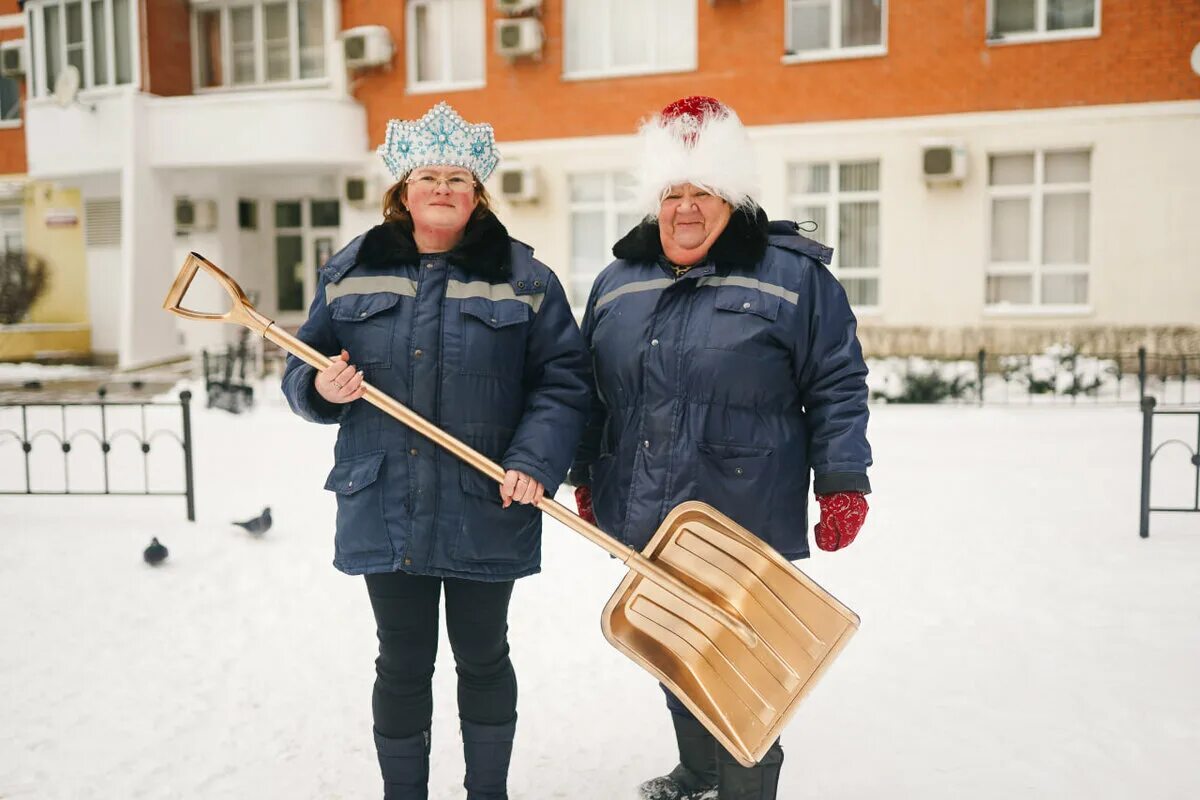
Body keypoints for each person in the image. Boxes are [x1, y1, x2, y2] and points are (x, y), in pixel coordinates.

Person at [281, 101, 589, 800]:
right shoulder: (350, 270)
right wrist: (322, 386)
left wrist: (535, 461)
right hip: (385, 498)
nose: (443, 187)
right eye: (429, 176)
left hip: (488, 498)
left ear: (477, 191)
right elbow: (302, 366)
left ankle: (488, 792)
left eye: (458, 177)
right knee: (402, 660)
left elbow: (564, 382)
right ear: (403, 190)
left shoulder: (526, 279)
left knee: (483, 656)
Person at [568, 96, 873, 800]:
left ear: (732, 199)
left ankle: (744, 790)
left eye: (702, 191)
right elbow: (589, 390)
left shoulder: (793, 276)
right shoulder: (618, 284)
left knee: (740, 666)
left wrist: (843, 480)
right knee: (674, 640)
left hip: (744, 505)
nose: (685, 208)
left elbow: (837, 381)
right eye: (672, 192)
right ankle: (698, 771)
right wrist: (586, 474)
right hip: (646, 500)